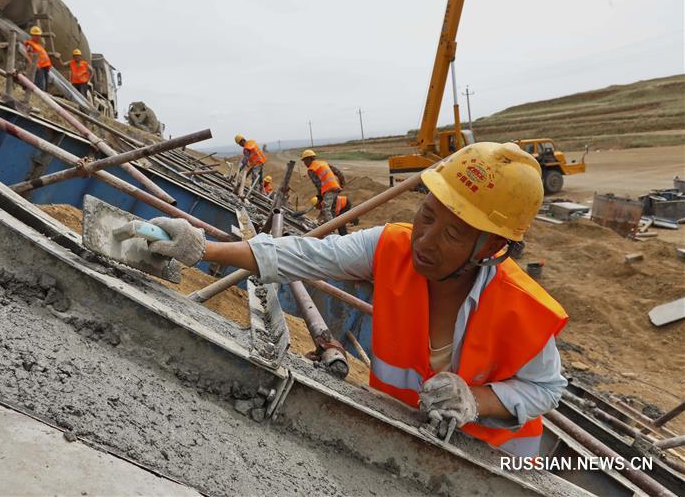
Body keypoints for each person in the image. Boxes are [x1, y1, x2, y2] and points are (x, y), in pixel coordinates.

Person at [146, 142, 568, 457]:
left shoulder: (521, 307)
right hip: (404, 438)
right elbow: (303, 254)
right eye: (427, 215)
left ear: (492, 246)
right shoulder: (392, 248)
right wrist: (203, 247)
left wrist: (477, 400)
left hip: (490, 461)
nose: (425, 239)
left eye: (453, 233)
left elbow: (547, 388)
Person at [300, 149, 346, 223]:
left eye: (305, 161)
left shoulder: (311, 169)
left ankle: (331, 228)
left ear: (310, 159)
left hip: (328, 190)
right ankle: (334, 227)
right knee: (332, 210)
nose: (304, 163)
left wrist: (319, 197)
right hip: (336, 188)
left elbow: (318, 185)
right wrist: (342, 184)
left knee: (325, 209)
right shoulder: (323, 163)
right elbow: (339, 172)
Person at [24, 26, 52, 91]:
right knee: (41, 85)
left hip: (45, 67)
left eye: (39, 35)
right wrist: (35, 65)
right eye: (36, 35)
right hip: (39, 67)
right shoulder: (30, 44)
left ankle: (45, 98)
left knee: (45, 86)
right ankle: (39, 97)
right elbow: (29, 55)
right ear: (32, 35)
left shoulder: (38, 45)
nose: (38, 37)